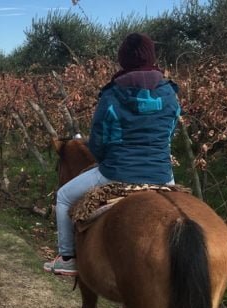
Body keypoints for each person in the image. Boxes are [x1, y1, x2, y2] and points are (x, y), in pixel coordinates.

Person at [44, 33, 181, 276]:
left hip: (117, 173)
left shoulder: (112, 94)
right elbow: (170, 131)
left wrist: (106, 158)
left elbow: (98, 141)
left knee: (64, 197)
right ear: (152, 56)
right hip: (162, 174)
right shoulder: (169, 92)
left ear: (123, 59)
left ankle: (67, 257)